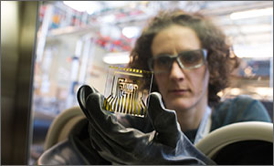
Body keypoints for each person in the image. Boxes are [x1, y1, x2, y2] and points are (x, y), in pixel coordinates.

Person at [38, 9, 272, 165]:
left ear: (211, 64)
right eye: (163, 61)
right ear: (151, 71)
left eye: (190, 58)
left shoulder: (242, 116)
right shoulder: (138, 126)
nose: (176, 74)